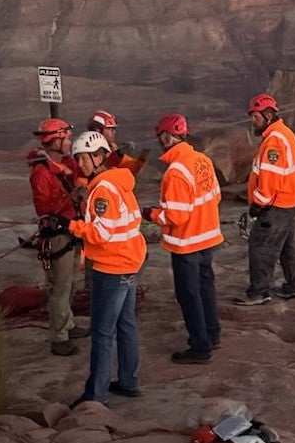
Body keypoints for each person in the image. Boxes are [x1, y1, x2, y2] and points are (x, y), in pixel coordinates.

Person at [67, 130, 146, 403]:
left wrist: (72, 226)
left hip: (111, 267)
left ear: (99, 157)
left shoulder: (102, 190)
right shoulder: (119, 182)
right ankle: (128, 381)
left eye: (84, 158)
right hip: (129, 262)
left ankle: (95, 395)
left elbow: (101, 233)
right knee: (126, 324)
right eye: (78, 159)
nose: (80, 164)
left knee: (102, 333)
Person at [143, 113, 223, 364]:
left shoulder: (176, 172)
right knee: (205, 289)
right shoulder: (202, 160)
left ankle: (200, 347)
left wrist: (151, 214)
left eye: (161, 137)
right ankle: (212, 334)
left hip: (186, 244)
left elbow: (175, 216)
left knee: (189, 295)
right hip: (207, 239)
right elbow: (216, 196)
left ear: (167, 138)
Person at [26, 117, 87, 356]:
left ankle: (68, 324)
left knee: (70, 281)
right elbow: (44, 208)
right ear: (56, 141)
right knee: (59, 285)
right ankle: (59, 337)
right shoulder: (41, 173)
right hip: (57, 234)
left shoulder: (67, 163)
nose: (70, 142)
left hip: (72, 228)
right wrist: (71, 196)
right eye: (67, 138)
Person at [238, 93, 295, 305]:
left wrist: (258, 203)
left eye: (256, 117)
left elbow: (270, 179)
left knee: (260, 245)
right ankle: (292, 286)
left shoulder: (274, 141)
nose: (253, 121)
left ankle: (259, 292)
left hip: (278, 204)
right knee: (287, 245)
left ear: (268, 115)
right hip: (292, 199)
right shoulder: (284, 133)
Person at [89, 109, 148, 175]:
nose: (114, 132)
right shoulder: (87, 151)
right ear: (97, 131)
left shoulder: (112, 149)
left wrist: (144, 153)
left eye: (114, 129)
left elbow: (135, 169)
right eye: (110, 129)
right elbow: (95, 173)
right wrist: (116, 156)